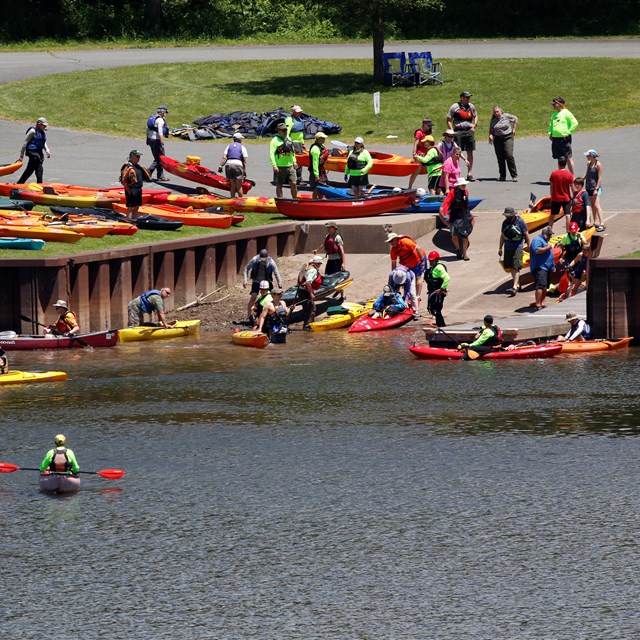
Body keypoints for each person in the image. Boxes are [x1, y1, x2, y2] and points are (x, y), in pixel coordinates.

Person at [243, 249, 282, 321]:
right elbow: (246, 268)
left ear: (268, 256)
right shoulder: (255, 259)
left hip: (267, 282)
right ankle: (248, 315)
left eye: (264, 258)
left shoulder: (271, 262)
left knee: (272, 297)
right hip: (256, 282)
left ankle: (274, 313)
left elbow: (276, 272)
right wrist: (245, 280)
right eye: (261, 258)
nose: (262, 260)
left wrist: (279, 282)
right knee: (253, 297)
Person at [440, 177, 474, 260]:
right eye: (462, 185)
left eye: (465, 184)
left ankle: (465, 253)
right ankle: (458, 250)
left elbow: (466, 205)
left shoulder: (466, 192)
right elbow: (446, 204)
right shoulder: (452, 192)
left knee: (465, 235)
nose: (464, 186)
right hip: (454, 215)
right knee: (454, 235)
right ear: (458, 185)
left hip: (464, 215)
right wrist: (446, 214)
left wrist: (469, 213)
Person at [498, 207, 531, 295]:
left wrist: (529, 246)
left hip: (517, 247)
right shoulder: (505, 223)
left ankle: (515, 286)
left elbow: (526, 234)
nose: (507, 217)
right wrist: (500, 248)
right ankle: (518, 285)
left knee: (516, 266)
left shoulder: (520, 222)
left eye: (509, 215)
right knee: (511, 267)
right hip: (508, 247)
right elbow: (502, 236)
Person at [385, 232, 428, 299]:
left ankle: (417, 296)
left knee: (418, 277)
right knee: (405, 278)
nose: (391, 243)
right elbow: (393, 263)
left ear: (396, 239)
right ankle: (401, 294)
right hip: (407, 263)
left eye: (392, 240)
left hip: (418, 259)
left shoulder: (406, 242)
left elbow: (417, 248)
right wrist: (394, 274)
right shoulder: (393, 250)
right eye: (389, 242)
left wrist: (422, 261)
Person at [446, 91, 478, 181]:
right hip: (458, 131)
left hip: (469, 131)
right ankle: (457, 173)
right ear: (462, 98)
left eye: (469, 97)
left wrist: (474, 125)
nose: (468, 99)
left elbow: (476, 115)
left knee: (470, 151)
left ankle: (469, 173)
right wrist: (452, 131)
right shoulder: (454, 107)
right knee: (457, 152)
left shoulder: (471, 106)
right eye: (467, 97)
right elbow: (448, 120)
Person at [557, 221, 590, 298]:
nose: (573, 233)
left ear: (577, 229)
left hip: (579, 257)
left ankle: (578, 286)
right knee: (572, 273)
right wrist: (561, 257)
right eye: (572, 232)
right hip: (569, 257)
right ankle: (571, 289)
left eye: (574, 232)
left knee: (580, 273)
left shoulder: (580, 236)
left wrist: (580, 237)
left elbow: (586, 245)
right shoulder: (566, 237)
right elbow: (562, 247)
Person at [548, 96, 579, 174]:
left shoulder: (566, 113)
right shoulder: (554, 114)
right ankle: (561, 175)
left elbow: (575, 123)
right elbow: (551, 125)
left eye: (555, 104)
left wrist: (568, 133)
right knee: (559, 158)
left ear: (560, 104)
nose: (553, 105)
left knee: (568, 157)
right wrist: (550, 133)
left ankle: (572, 176)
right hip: (555, 139)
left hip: (564, 138)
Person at [17, 117, 51, 184]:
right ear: (38, 124)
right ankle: (40, 184)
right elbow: (25, 143)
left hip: (38, 152)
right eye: (43, 125)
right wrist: (21, 155)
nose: (45, 126)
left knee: (30, 169)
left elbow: (43, 142)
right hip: (32, 151)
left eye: (45, 125)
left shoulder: (42, 132)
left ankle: (20, 183)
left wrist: (47, 150)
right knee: (39, 166)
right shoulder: (33, 131)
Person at [489, 106, 518, 182]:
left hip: (507, 137)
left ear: (501, 111)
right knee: (500, 158)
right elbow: (491, 129)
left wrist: (514, 129)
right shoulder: (493, 120)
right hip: (497, 139)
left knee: (509, 155)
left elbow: (515, 119)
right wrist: (491, 135)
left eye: (497, 111)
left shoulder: (506, 116)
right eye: (495, 112)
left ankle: (514, 175)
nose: (496, 113)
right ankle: (502, 175)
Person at [529, 226, 555, 310]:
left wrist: (552, 266)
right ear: (544, 234)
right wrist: (548, 247)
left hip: (546, 268)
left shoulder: (546, 241)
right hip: (539, 267)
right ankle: (537, 304)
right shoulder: (537, 240)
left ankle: (542, 302)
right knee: (540, 286)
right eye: (549, 235)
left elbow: (550, 255)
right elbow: (537, 250)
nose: (550, 236)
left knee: (545, 287)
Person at [295, 255, 324, 330]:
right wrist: (311, 293)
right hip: (305, 292)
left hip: (301, 291)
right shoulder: (313, 270)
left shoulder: (307, 268)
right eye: (320, 263)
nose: (320, 265)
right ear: (317, 263)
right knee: (311, 309)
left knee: (307, 309)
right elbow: (308, 282)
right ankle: (308, 326)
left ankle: (307, 325)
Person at [269, 123, 297, 198]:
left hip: (290, 165)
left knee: (293, 183)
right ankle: (280, 200)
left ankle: (295, 200)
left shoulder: (289, 139)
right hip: (280, 166)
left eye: (286, 130)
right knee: (279, 185)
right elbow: (271, 154)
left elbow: (292, 152)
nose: (285, 132)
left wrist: (294, 162)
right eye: (283, 130)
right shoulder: (274, 141)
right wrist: (274, 165)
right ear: (278, 131)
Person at [120, 150, 150, 219]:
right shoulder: (127, 166)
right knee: (130, 208)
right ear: (132, 157)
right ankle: (129, 222)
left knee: (136, 207)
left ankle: (135, 221)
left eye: (139, 157)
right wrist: (128, 190)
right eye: (137, 156)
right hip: (131, 189)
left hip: (138, 189)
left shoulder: (138, 166)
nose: (139, 158)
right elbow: (123, 180)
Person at [424, 251, 450, 327]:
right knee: (431, 309)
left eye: (432, 260)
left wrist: (441, 289)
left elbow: (447, 278)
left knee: (437, 310)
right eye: (430, 260)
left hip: (438, 292)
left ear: (437, 260)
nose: (431, 262)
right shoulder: (432, 268)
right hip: (432, 292)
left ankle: (442, 327)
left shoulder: (439, 268)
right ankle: (440, 325)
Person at [219, 132, 248, 198]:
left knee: (232, 184)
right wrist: (244, 172)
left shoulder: (229, 146)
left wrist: (220, 166)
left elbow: (224, 157)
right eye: (241, 138)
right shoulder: (242, 147)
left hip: (228, 165)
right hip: (237, 165)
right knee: (239, 185)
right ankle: (241, 201)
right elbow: (244, 162)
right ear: (239, 139)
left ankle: (232, 199)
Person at [549, 156, 574, 230]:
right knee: (567, 215)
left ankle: (549, 230)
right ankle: (568, 231)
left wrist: (552, 196)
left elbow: (551, 186)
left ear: (558, 164)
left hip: (556, 198)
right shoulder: (569, 174)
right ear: (566, 164)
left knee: (552, 215)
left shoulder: (554, 173)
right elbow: (572, 188)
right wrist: (574, 197)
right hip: (566, 198)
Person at [408, 117, 433, 188]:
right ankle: (410, 187)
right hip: (420, 154)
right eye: (428, 125)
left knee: (431, 170)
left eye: (430, 125)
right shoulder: (419, 132)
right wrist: (414, 155)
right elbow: (415, 144)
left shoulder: (427, 133)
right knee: (416, 171)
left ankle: (431, 186)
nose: (430, 127)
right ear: (424, 124)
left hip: (427, 154)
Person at [146, 105, 168, 181]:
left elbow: (147, 129)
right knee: (159, 159)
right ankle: (148, 172)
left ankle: (161, 176)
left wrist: (147, 140)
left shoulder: (152, 118)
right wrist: (162, 143)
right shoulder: (160, 120)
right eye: (166, 112)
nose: (166, 114)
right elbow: (160, 132)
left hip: (151, 139)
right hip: (157, 141)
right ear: (163, 112)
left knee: (159, 158)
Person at [583, 149, 604, 231]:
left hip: (595, 188)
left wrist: (596, 188)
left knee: (597, 205)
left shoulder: (598, 164)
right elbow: (587, 173)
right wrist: (582, 179)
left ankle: (602, 223)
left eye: (588, 155)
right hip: (588, 187)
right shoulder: (589, 163)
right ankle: (595, 222)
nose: (586, 157)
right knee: (592, 205)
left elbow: (600, 177)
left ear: (592, 156)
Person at [285, 105, 306, 184]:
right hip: (293, 143)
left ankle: (298, 178)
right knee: (295, 161)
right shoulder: (290, 120)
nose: (300, 113)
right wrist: (288, 142)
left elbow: (300, 133)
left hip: (299, 143)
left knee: (299, 161)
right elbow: (287, 132)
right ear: (293, 112)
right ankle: (298, 179)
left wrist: (302, 143)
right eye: (298, 112)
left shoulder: (299, 119)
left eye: (300, 111)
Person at [309, 131, 329, 199]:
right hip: (315, 171)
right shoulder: (315, 149)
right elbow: (315, 163)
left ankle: (320, 200)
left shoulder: (322, 146)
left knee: (322, 188)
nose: (324, 139)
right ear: (317, 139)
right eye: (322, 138)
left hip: (321, 170)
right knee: (316, 188)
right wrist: (316, 175)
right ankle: (314, 202)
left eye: (324, 138)